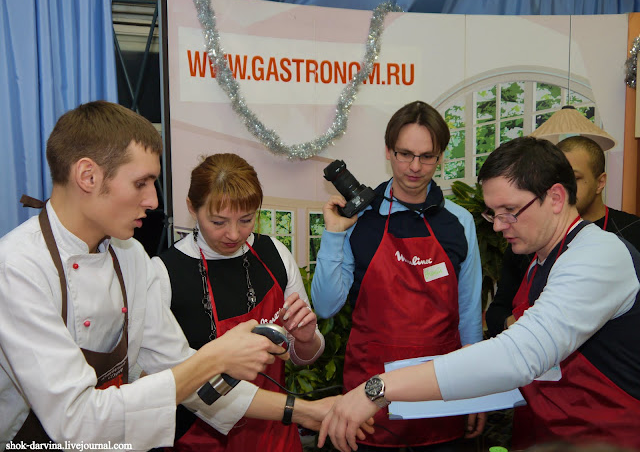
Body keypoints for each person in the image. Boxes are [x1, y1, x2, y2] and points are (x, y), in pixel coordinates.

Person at [0, 101, 336, 450]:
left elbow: (181, 370)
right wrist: (214, 358)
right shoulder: (18, 268)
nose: (152, 200)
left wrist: (306, 411)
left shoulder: (130, 257)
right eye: (141, 183)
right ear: (88, 176)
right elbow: (77, 422)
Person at [317, 136, 640, 452]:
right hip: (544, 434)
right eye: (493, 212)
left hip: (604, 438)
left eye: (510, 210)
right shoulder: (539, 261)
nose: (498, 226)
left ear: (555, 197)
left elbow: (520, 354)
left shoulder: (598, 254)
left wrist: (378, 388)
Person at [310, 101, 485, 451]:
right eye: (405, 154)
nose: (415, 167)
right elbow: (326, 306)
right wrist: (333, 234)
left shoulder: (459, 221)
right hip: (369, 401)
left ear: (441, 157)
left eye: (427, 156)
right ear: (388, 151)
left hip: (442, 394)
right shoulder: (359, 218)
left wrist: (478, 389)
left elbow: (468, 312)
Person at [153, 153, 326, 451]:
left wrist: (306, 340)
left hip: (275, 433)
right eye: (218, 222)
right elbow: (167, 382)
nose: (234, 234)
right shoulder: (164, 274)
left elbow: (300, 356)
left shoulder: (275, 254)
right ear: (192, 208)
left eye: (246, 220)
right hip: (201, 439)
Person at [485, 135, 640, 337]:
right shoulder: (530, 244)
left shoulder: (608, 249)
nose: (498, 226)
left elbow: (537, 341)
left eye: (574, 178)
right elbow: (500, 311)